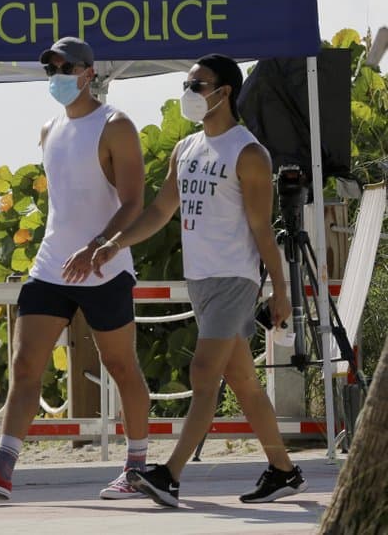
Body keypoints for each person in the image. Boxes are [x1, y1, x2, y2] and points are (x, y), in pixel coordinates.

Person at [91, 54, 307, 507]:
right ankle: (284, 470)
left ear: (224, 92)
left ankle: (169, 474)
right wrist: (115, 243)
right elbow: (158, 211)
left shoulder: (248, 153)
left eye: (197, 85)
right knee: (244, 381)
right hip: (201, 279)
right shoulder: (185, 149)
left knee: (204, 372)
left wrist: (280, 291)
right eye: (187, 84)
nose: (188, 93)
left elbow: (262, 228)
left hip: (234, 277)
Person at [0, 37, 151, 500]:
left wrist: (99, 245)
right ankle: (1, 467)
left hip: (105, 266)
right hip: (51, 266)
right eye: (48, 68)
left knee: (120, 365)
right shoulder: (48, 128)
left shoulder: (116, 125)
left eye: (63, 67)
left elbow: (135, 202)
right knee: (24, 366)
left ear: (88, 71)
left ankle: (136, 467)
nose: (55, 76)